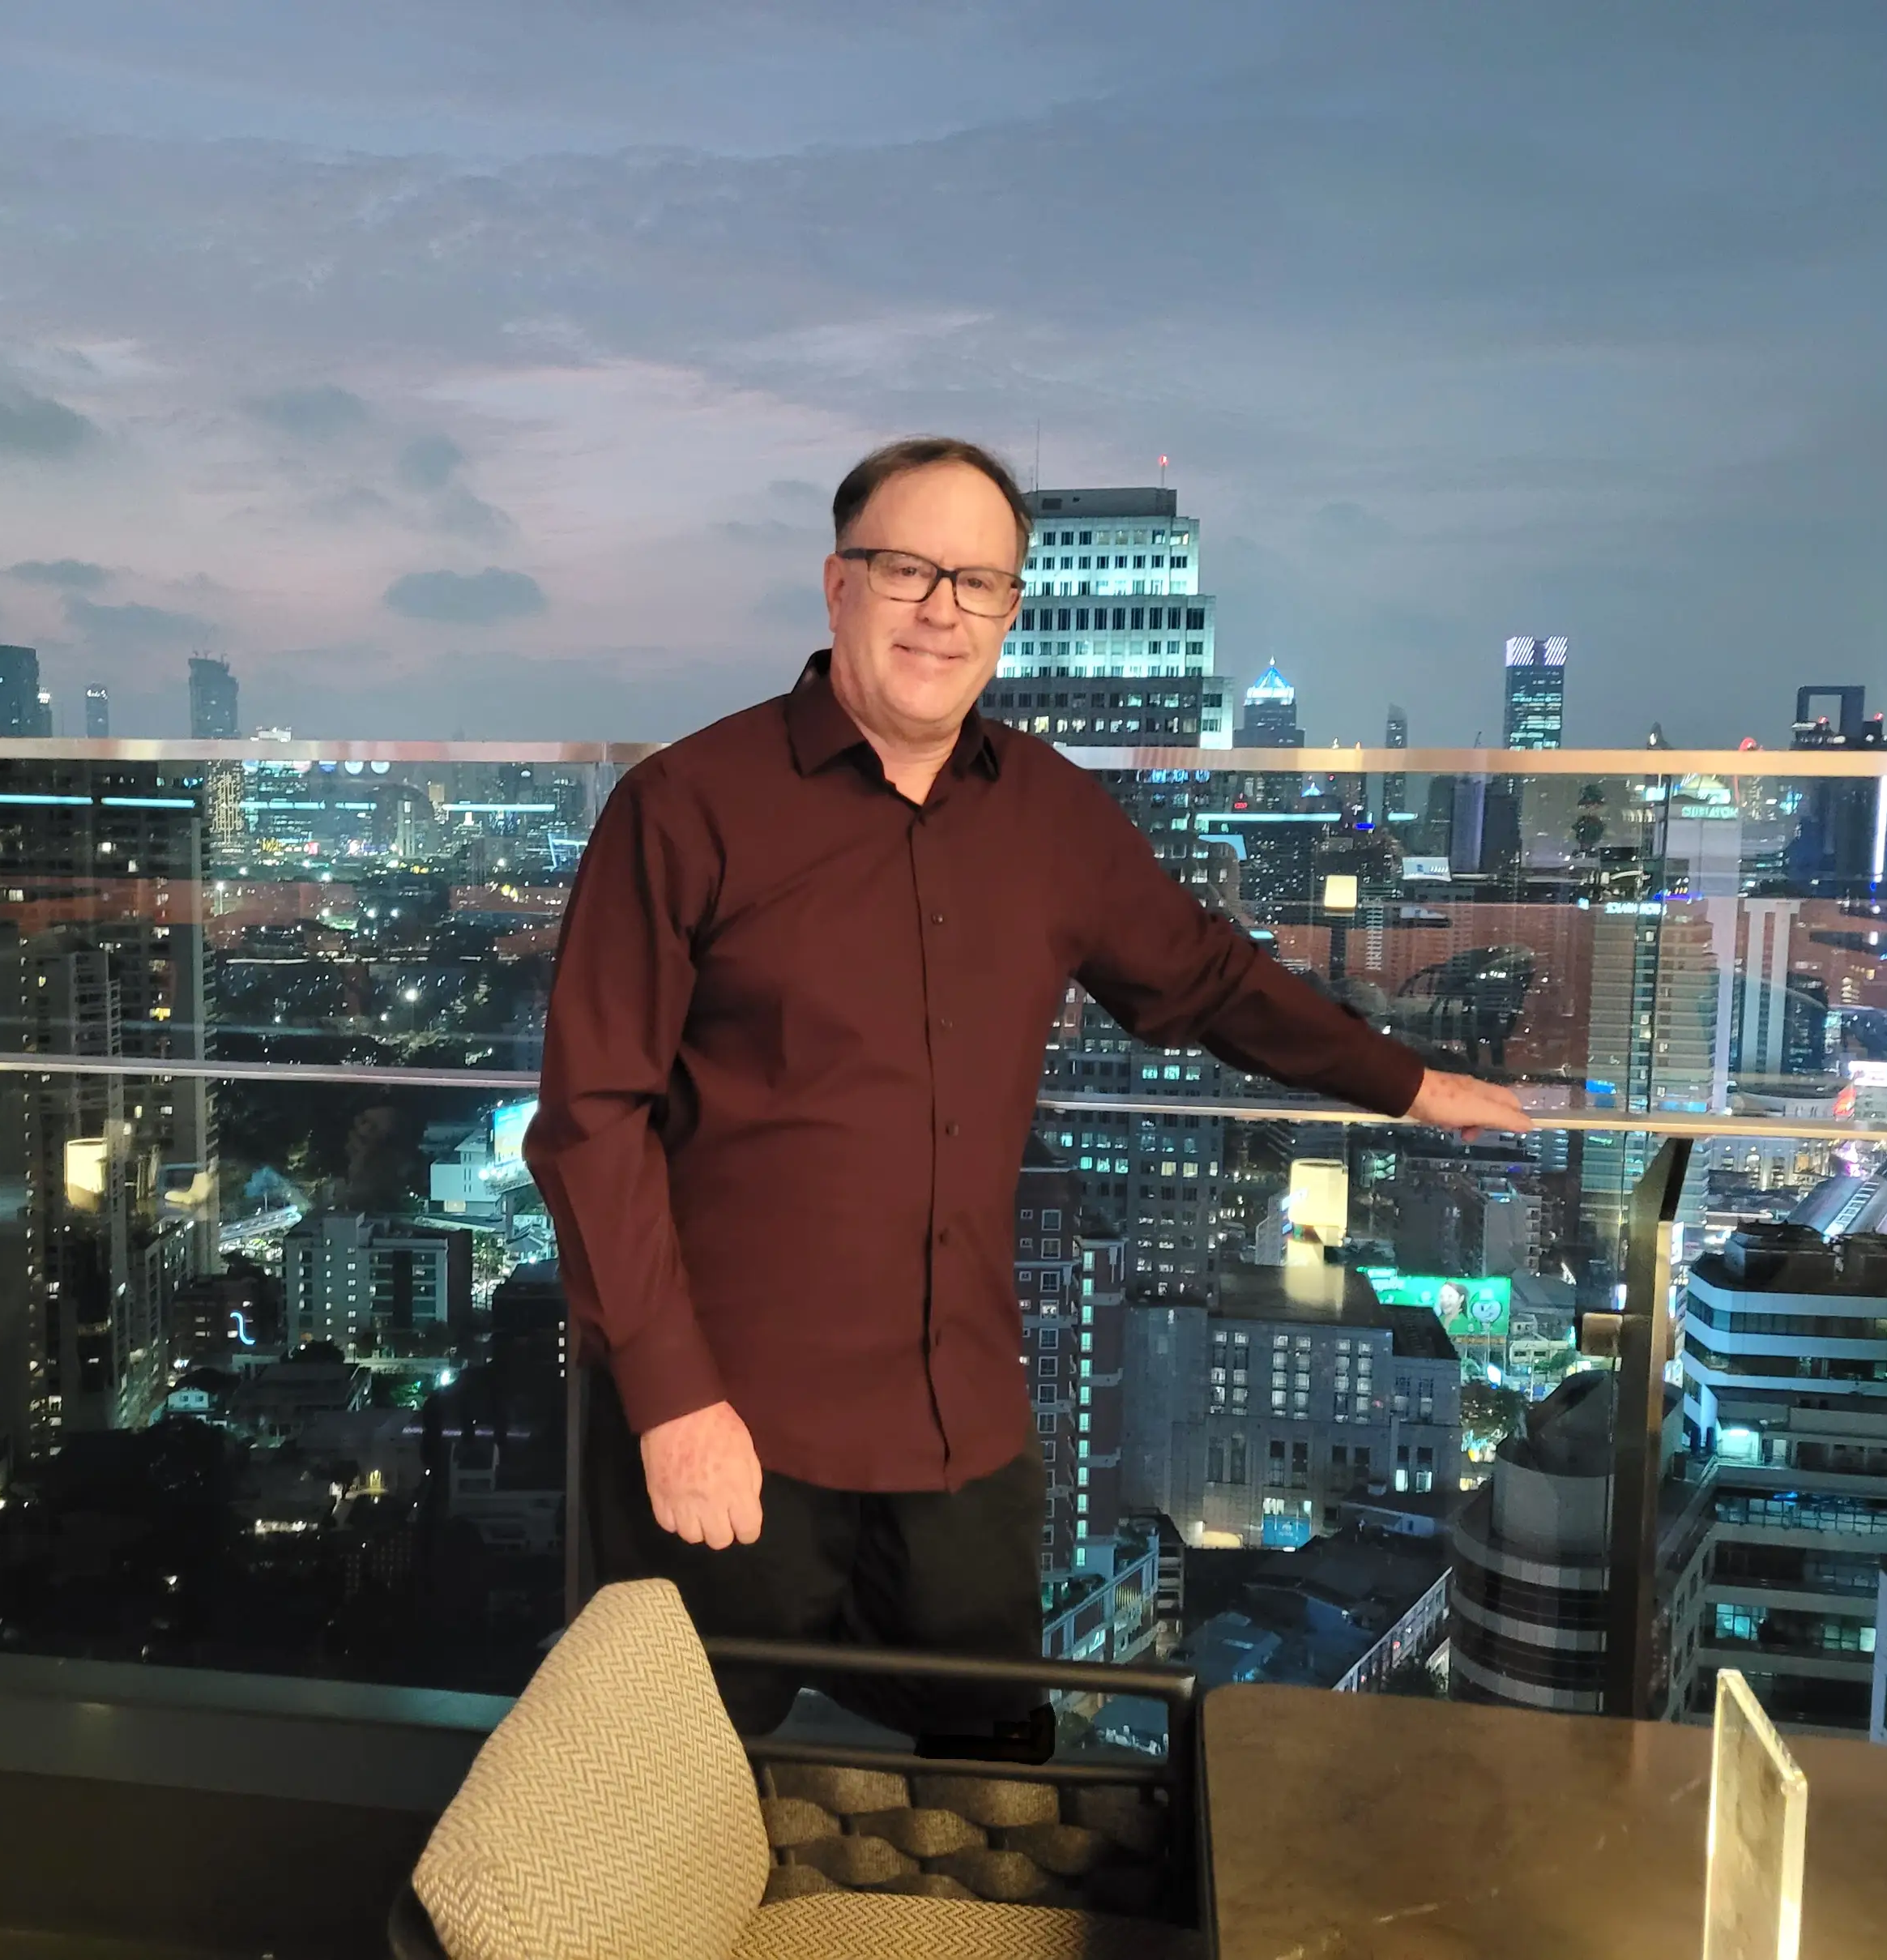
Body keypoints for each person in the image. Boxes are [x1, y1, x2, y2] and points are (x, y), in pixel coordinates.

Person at [525, 436, 1528, 1754]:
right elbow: (590, 1118)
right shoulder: (685, 808)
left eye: (982, 582)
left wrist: (1408, 1083)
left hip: (963, 1419)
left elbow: (1207, 980)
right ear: (838, 588)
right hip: (732, 1411)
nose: (943, 608)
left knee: (997, 1761)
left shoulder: (1049, 815)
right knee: (665, 1768)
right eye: (907, 569)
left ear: (1010, 613)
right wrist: (668, 1397)